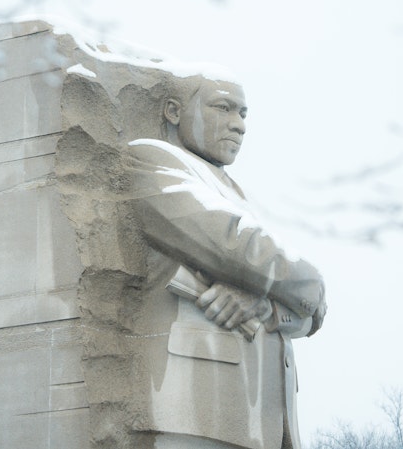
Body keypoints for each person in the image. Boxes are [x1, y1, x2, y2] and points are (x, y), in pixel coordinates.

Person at [125, 73, 326, 449]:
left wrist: (265, 304)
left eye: (244, 113)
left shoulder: (233, 191)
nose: (240, 124)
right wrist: (310, 284)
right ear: (173, 111)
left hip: (265, 423)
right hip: (193, 408)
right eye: (224, 108)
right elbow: (231, 244)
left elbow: (306, 317)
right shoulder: (151, 160)